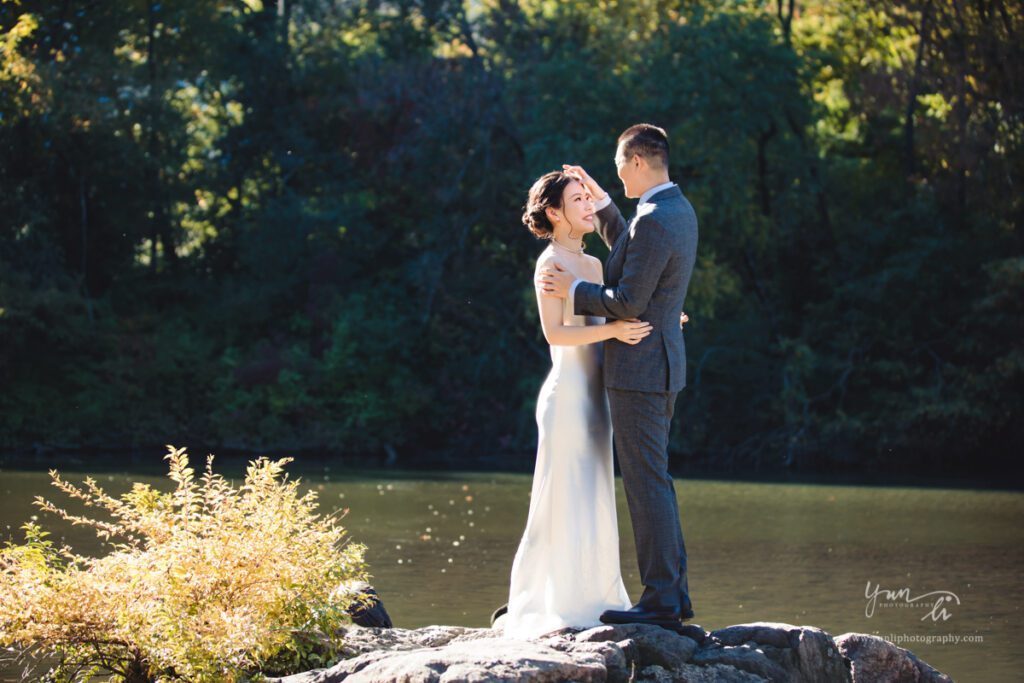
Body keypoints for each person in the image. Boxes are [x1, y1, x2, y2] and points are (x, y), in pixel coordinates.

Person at [536, 123, 698, 632]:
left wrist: (576, 288)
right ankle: (672, 595)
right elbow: (633, 250)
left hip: (640, 371)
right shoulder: (677, 209)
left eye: (617, 167)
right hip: (659, 366)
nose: (614, 178)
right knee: (657, 483)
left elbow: (628, 299)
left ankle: (661, 600)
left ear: (635, 162)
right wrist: (604, 206)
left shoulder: (655, 218)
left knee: (648, 486)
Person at [492, 170, 650, 639]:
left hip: (596, 398)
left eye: (587, 196)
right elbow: (557, 334)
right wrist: (614, 330)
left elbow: (622, 309)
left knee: (594, 496)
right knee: (562, 500)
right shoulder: (550, 264)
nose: (587, 205)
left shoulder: (596, 266)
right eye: (576, 199)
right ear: (554, 212)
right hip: (567, 398)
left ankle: (596, 599)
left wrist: (656, 320)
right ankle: (553, 603)